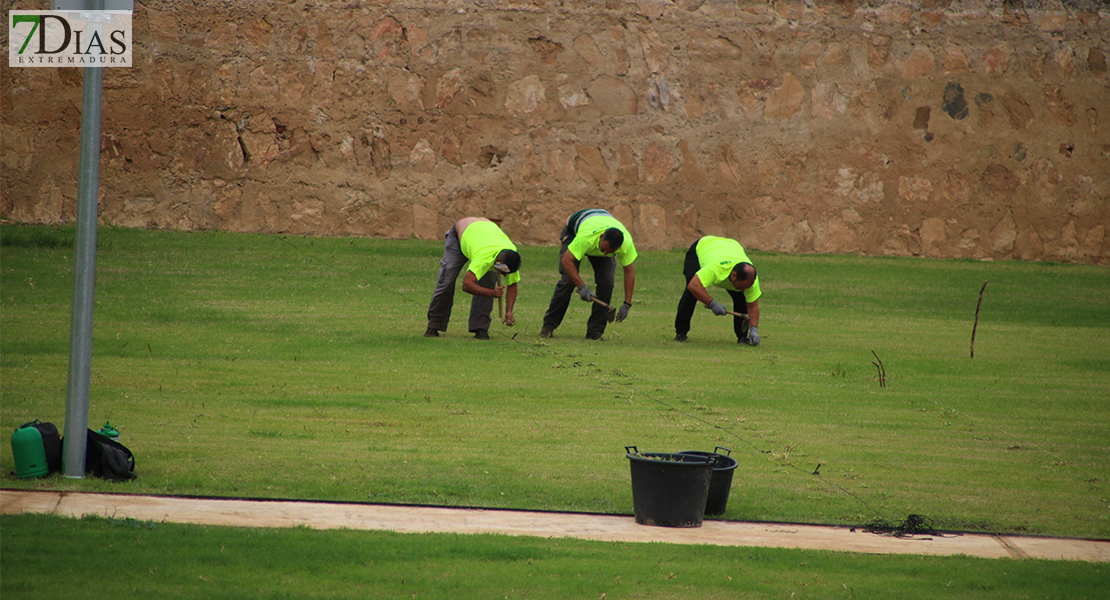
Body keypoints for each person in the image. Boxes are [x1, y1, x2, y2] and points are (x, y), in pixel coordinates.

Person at [539, 208, 637, 340]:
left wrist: (627, 304)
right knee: (568, 281)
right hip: (575, 231)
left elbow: (629, 271)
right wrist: (581, 286)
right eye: (605, 250)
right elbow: (566, 261)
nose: (605, 254)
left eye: (610, 252)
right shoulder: (586, 238)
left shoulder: (626, 243)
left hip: (600, 228)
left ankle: (595, 332)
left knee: (607, 283)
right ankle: (548, 326)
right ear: (601, 237)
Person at [425, 217, 521, 340]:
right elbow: (466, 285)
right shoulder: (483, 258)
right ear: (497, 261)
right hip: (458, 238)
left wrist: (509, 311)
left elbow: (512, 285)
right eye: (503, 271)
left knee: (488, 283)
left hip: (483, 234)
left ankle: (480, 328)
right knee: (446, 281)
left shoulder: (510, 258)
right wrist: (492, 293)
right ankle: (433, 325)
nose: (505, 275)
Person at [674, 235, 761, 345]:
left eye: (746, 287)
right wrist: (712, 303)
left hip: (730, 246)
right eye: (741, 286)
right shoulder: (716, 268)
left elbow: (753, 306)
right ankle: (681, 333)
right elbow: (694, 286)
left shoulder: (751, 279)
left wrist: (754, 329)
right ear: (734, 275)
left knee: (741, 298)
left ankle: (743, 338)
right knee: (691, 292)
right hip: (703, 247)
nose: (744, 290)